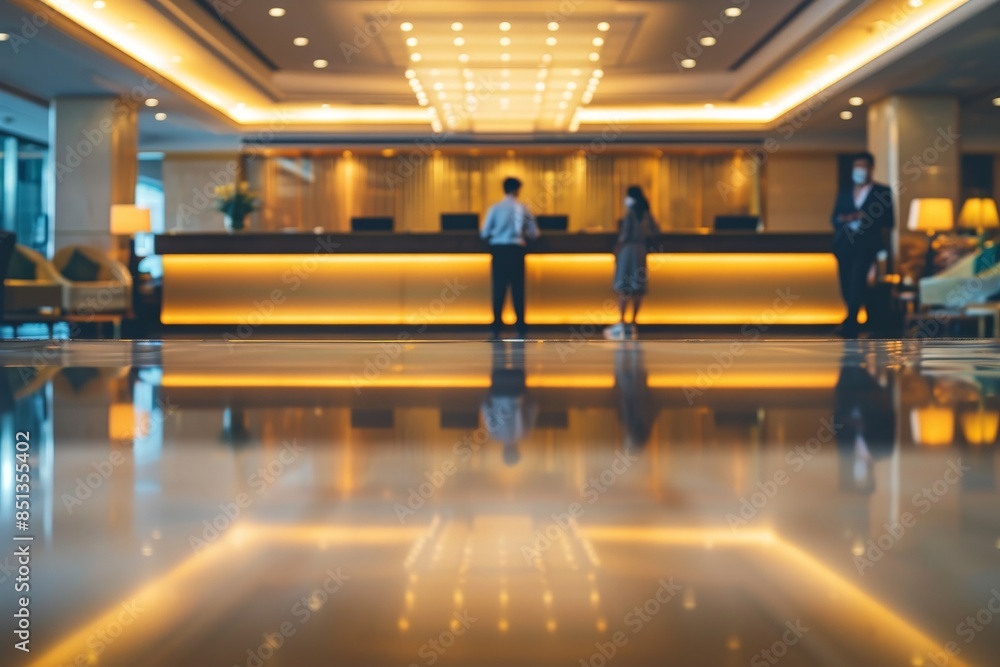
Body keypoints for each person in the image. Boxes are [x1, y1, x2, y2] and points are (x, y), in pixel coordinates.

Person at [830, 152, 894, 337]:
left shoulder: (882, 192)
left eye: (863, 166)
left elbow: (889, 221)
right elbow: (834, 218)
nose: (859, 170)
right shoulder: (845, 191)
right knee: (846, 282)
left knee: (858, 280)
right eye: (856, 166)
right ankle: (853, 318)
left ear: (870, 168)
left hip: (868, 245)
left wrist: (866, 218)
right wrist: (845, 218)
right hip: (845, 244)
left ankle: (851, 322)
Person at [481, 177, 540, 339]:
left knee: (498, 288)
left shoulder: (495, 208)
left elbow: (484, 232)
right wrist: (523, 233)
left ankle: (496, 327)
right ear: (516, 190)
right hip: (516, 251)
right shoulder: (523, 208)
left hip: (499, 251)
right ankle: (520, 327)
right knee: (518, 289)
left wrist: (497, 233)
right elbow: (534, 233)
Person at [604, 185, 660, 340]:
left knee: (624, 285)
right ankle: (633, 323)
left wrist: (617, 249)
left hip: (628, 251)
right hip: (641, 250)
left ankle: (622, 323)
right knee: (637, 287)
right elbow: (656, 231)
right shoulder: (647, 213)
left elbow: (624, 235)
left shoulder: (630, 214)